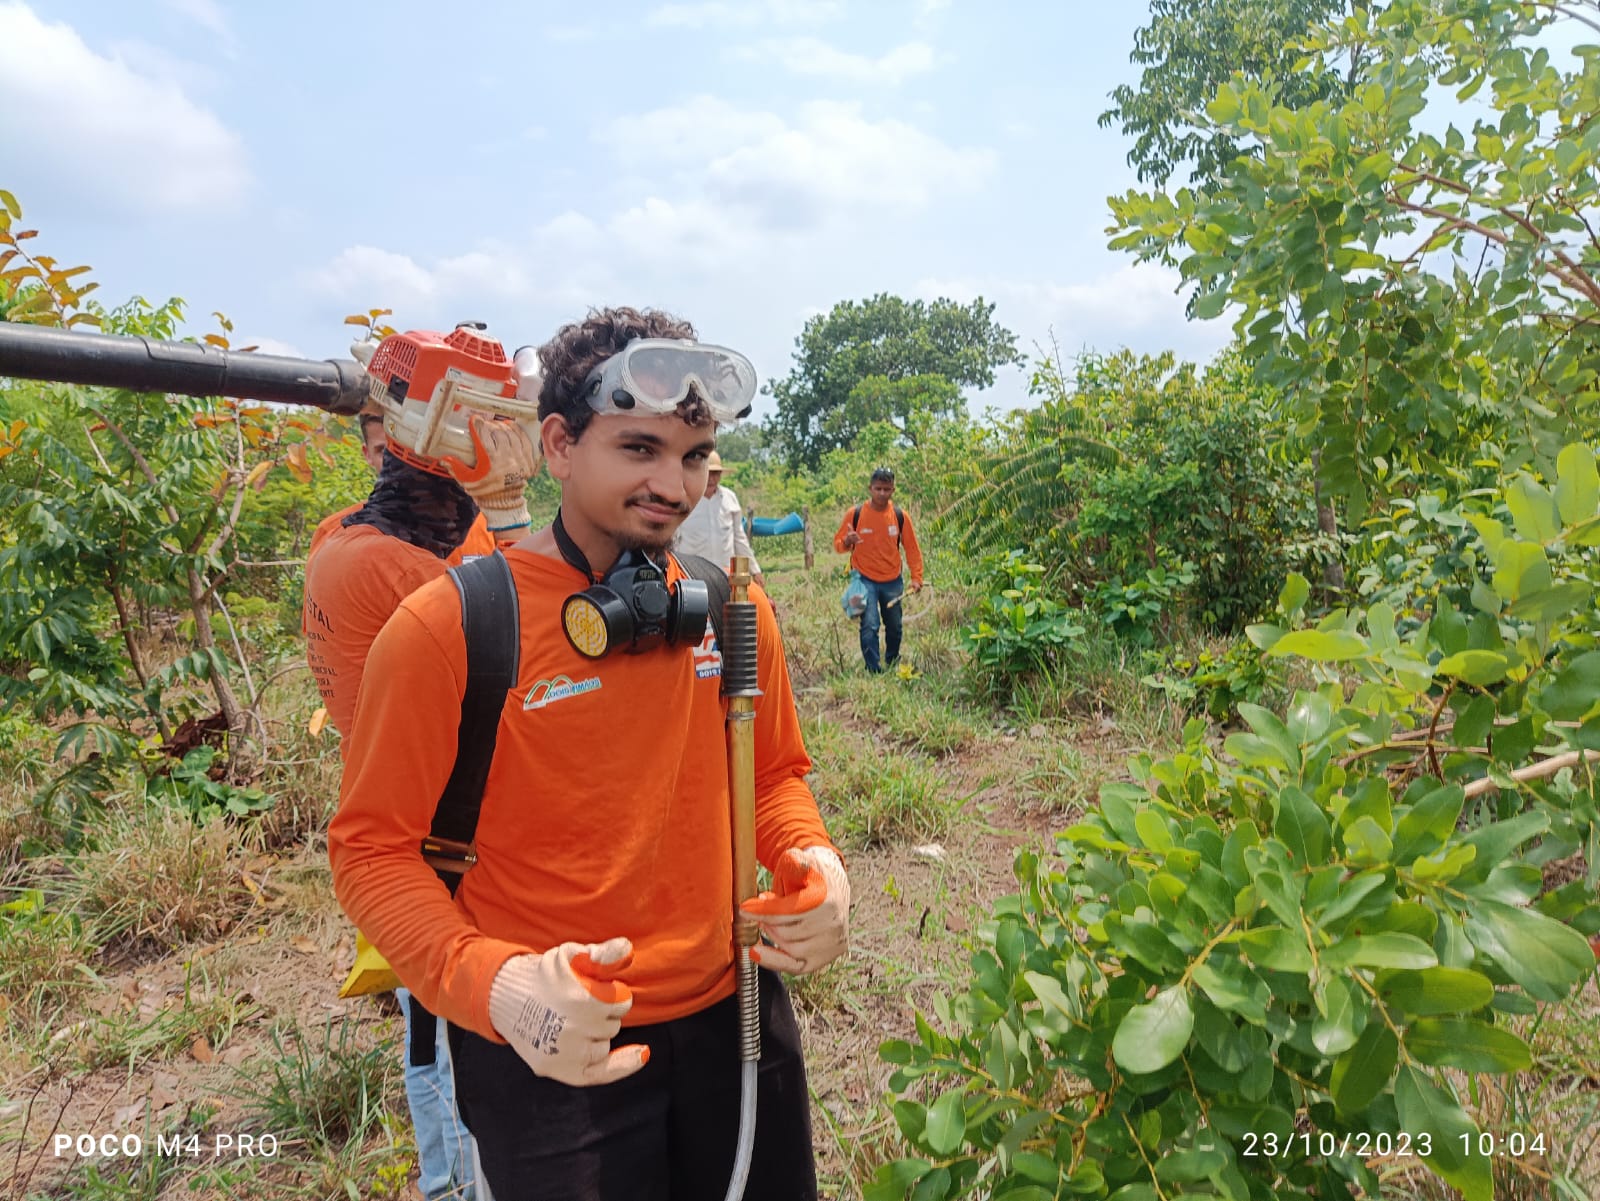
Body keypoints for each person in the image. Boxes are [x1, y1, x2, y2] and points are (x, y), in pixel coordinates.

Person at [328, 306, 848, 1201]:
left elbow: (771, 777)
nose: (674, 485)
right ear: (561, 445)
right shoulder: (453, 625)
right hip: (552, 1048)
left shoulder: (731, 610)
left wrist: (814, 860)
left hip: (738, 1023)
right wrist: (498, 989)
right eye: (638, 449)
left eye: (691, 456)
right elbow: (371, 850)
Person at [307, 393, 541, 1201]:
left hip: (432, 822)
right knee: (451, 1046)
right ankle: (453, 1185)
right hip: (443, 845)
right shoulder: (413, 576)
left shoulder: (340, 535)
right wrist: (513, 509)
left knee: (433, 1032)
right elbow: (527, 635)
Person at [833, 466, 924, 674]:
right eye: (878, 489)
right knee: (870, 625)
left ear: (893, 490)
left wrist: (916, 577)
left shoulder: (900, 516)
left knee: (894, 626)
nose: (882, 493)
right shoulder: (855, 514)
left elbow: (912, 549)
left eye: (886, 489)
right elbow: (838, 545)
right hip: (864, 580)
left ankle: (892, 662)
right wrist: (847, 540)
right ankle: (873, 670)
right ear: (870, 489)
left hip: (893, 580)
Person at [672, 450, 765, 589]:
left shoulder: (729, 499)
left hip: (725, 575)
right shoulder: (685, 500)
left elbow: (739, 539)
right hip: (691, 577)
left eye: (716, 474)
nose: (712, 479)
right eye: (709, 473)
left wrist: (755, 570)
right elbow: (673, 541)